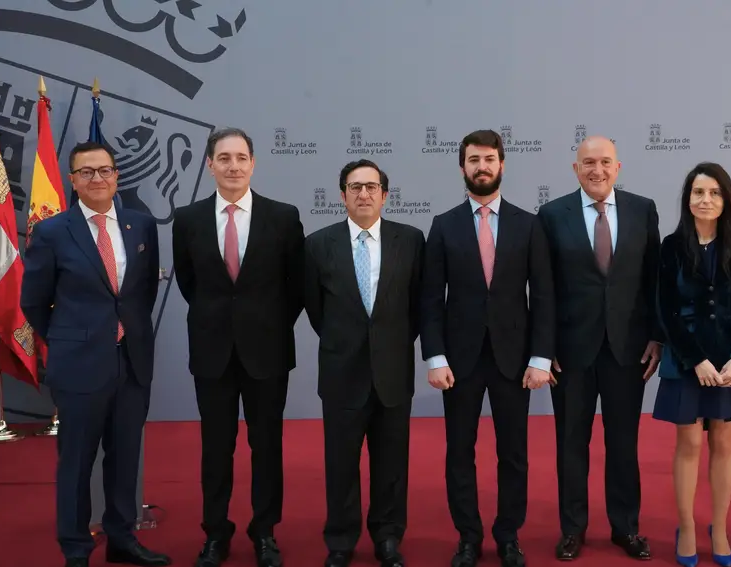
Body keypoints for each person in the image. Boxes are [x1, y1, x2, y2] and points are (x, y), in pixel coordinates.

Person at [21, 141, 171, 567]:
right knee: (77, 462)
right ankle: (76, 548)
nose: (97, 179)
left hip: (132, 362)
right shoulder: (52, 231)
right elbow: (34, 301)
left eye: (105, 170)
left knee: (125, 458)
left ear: (117, 176)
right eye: (86, 172)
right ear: (72, 180)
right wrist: (71, 340)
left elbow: (140, 293)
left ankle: (123, 539)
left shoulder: (140, 225)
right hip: (79, 366)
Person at [421, 129, 555, 567]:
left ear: (502, 164)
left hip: (514, 360)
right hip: (458, 362)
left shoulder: (528, 224)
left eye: (490, 159)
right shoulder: (442, 225)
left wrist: (539, 357)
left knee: (513, 452)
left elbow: (544, 296)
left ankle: (508, 535)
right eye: (474, 159)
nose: (482, 166)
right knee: (459, 451)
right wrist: (434, 356)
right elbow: (430, 298)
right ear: (462, 166)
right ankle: (468, 536)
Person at [172, 128, 306, 567]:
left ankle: (264, 532)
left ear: (253, 164)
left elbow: (296, 287)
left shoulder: (283, 216)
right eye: (224, 158)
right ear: (209, 164)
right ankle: (215, 532)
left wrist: (262, 324)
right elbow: (190, 283)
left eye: (241, 157)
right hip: (211, 352)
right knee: (216, 447)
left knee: (267, 446)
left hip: (266, 352)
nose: (233, 166)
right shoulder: (188, 218)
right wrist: (223, 322)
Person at [536, 135, 661, 561]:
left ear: (618, 167)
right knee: (571, 443)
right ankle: (573, 529)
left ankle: (625, 527)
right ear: (575, 169)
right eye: (588, 162)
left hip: (628, 350)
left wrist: (657, 336)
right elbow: (544, 288)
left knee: (623, 443)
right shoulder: (552, 215)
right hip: (570, 352)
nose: (597, 170)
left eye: (605, 162)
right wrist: (543, 347)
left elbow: (653, 281)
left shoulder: (643, 210)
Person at [304, 159, 425, 567]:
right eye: (355, 187)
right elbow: (317, 310)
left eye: (372, 187)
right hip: (341, 373)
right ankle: (341, 540)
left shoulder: (410, 240)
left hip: (393, 372)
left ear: (385, 195)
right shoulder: (318, 244)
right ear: (342, 196)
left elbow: (417, 307)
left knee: (392, 464)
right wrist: (347, 343)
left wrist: (387, 345)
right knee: (340, 464)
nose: (363, 194)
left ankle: (388, 537)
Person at [652, 162, 731, 567]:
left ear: (726, 199)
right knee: (690, 443)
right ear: (687, 199)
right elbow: (666, 309)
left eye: (714, 192)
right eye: (698, 192)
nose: (706, 200)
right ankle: (687, 526)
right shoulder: (670, 244)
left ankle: (719, 526)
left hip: (729, 356)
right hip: (686, 358)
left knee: (724, 443)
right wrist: (693, 358)